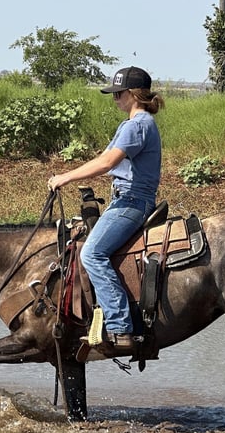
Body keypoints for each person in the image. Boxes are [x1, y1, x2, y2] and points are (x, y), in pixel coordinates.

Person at [47, 66, 165, 350]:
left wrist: (65, 177)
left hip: (131, 202)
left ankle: (120, 327)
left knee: (92, 253)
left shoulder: (137, 125)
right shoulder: (133, 124)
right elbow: (103, 157)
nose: (115, 99)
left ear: (133, 94)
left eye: (118, 94)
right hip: (125, 199)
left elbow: (106, 164)